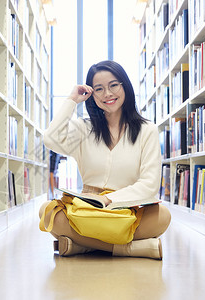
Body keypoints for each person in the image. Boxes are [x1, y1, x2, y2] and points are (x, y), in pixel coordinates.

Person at [40, 60, 171, 259]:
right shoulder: (83, 129)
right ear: (92, 95)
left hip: (127, 209)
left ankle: (81, 246)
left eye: (114, 85)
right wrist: (72, 101)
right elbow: (50, 139)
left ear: (124, 85)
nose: (108, 94)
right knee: (46, 212)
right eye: (99, 89)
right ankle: (126, 248)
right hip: (86, 209)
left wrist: (109, 199)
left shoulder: (147, 130)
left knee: (162, 216)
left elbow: (149, 184)